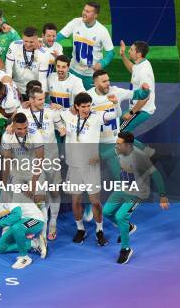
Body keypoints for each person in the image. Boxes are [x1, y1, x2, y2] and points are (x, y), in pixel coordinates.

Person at [59, 92, 121, 246]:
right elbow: (51, 111)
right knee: (76, 201)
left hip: (91, 167)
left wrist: (116, 103)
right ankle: (80, 229)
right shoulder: (67, 115)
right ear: (76, 107)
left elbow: (116, 114)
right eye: (83, 106)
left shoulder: (97, 116)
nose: (86, 109)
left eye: (88, 105)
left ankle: (99, 230)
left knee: (95, 202)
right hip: (73, 166)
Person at [103, 132, 169, 264]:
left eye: (118, 144)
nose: (116, 146)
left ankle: (125, 249)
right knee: (106, 212)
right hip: (122, 188)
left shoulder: (140, 157)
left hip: (137, 193)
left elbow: (156, 175)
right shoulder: (118, 150)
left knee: (121, 217)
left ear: (127, 146)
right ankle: (127, 227)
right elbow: (104, 156)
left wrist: (162, 195)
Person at [16, 87, 64, 240]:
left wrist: (63, 129)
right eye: (39, 99)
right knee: (40, 196)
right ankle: (41, 228)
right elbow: (14, 127)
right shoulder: (22, 113)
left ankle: (53, 223)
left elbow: (62, 127)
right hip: (34, 161)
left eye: (44, 99)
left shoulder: (51, 111)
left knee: (54, 191)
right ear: (30, 100)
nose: (43, 102)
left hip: (52, 158)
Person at [0, 199, 46, 270]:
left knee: (17, 228)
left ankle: (24, 257)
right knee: (0, 248)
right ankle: (34, 243)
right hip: (19, 224)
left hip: (35, 220)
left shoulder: (8, 195)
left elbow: (17, 215)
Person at [56, 1, 114, 89]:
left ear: (95, 15)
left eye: (88, 11)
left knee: (90, 100)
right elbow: (59, 36)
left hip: (90, 75)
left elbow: (110, 52)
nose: (84, 13)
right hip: (73, 70)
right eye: (84, 10)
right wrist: (45, 41)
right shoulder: (75, 22)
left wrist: (102, 63)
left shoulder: (102, 31)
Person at [119, 40, 156, 132]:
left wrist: (131, 112)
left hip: (141, 110)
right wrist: (123, 55)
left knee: (121, 133)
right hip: (136, 108)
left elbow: (145, 97)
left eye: (131, 50)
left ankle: (145, 147)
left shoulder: (144, 72)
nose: (129, 51)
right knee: (115, 125)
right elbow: (133, 69)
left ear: (138, 54)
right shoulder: (140, 64)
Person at [5, 26, 49, 97]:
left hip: (34, 90)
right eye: (25, 41)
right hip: (16, 88)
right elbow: (8, 68)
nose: (28, 45)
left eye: (31, 42)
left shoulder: (44, 53)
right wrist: (10, 88)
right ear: (22, 38)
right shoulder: (14, 46)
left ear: (37, 39)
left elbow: (42, 78)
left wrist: (40, 95)